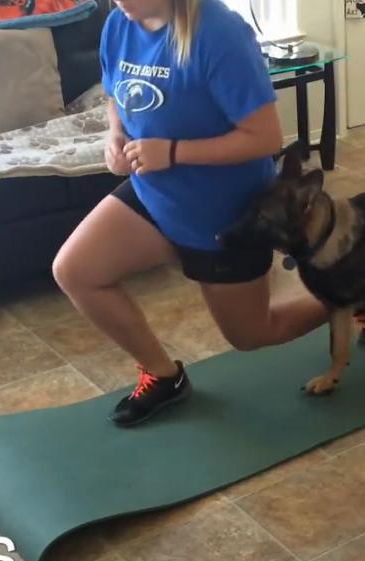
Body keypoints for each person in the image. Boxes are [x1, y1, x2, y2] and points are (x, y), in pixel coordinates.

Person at [52, 0, 330, 427]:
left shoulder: (220, 32)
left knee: (253, 335)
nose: (120, 2)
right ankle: (164, 376)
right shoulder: (118, 25)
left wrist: (175, 152)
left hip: (225, 215)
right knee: (76, 270)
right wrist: (115, 136)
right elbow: (116, 96)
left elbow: (265, 137)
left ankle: (350, 294)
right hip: (154, 194)